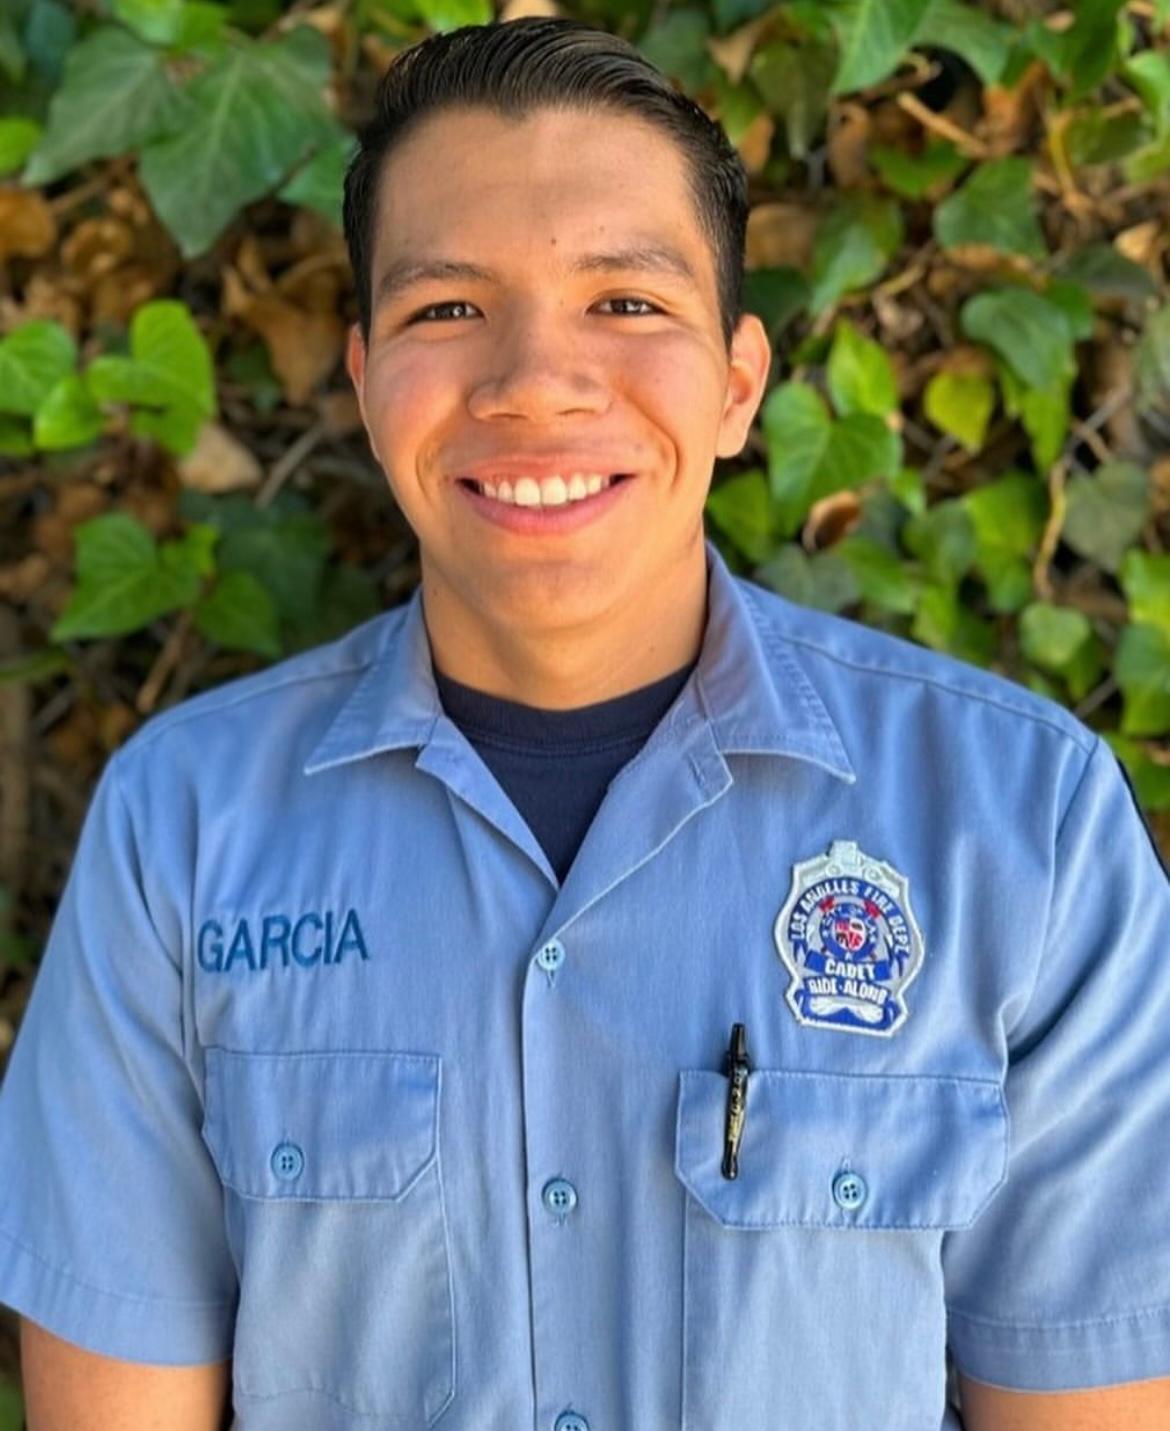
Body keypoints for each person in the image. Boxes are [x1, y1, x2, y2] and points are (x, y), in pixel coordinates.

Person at [1, 15, 1168, 1431]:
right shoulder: (181, 831)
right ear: (364, 383)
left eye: (624, 301)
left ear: (738, 383)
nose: (534, 383)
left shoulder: (1022, 824)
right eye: (448, 310)